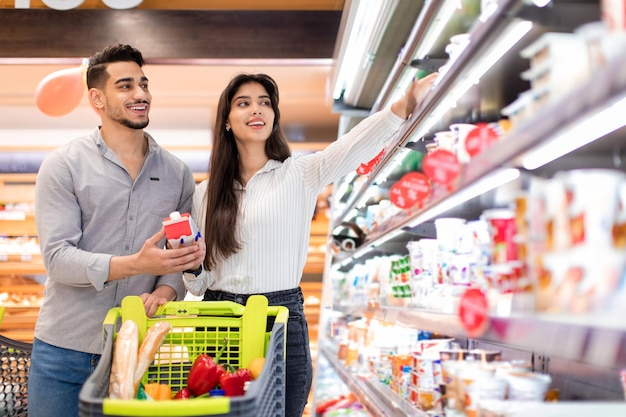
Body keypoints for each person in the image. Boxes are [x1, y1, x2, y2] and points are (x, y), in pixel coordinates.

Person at [183, 71, 438, 416]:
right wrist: (188, 260)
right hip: (221, 320)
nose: (256, 110)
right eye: (243, 103)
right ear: (227, 121)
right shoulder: (206, 194)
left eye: (265, 103)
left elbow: (350, 147)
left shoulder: (298, 175)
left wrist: (403, 105)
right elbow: (199, 282)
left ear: (274, 117)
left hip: (281, 319)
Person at [27, 44, 206, 417]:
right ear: (97, 98)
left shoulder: (176, 173)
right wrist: (137, 264)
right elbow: (58, 259)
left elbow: (178, 254)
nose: (140, 94)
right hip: (64, 352)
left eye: (143, 84)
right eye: (125, 86)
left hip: (137, 348)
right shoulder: (63, 166)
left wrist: (165, 288)